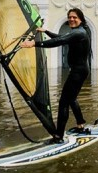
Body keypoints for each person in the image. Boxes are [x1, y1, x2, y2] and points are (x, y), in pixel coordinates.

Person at [20, 8, 92, 144]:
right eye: (69, 17)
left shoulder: (79, 33)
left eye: (74, 17)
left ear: (81, 19)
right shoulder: (79, 32)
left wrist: (35, 44)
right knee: (71, 98)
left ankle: (59, 136)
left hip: (78, 71)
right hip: (81, 70)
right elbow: (61, 38)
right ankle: (80, 123)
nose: (71, 19)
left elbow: (58, 42)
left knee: (63, 102)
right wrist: (46, 31)